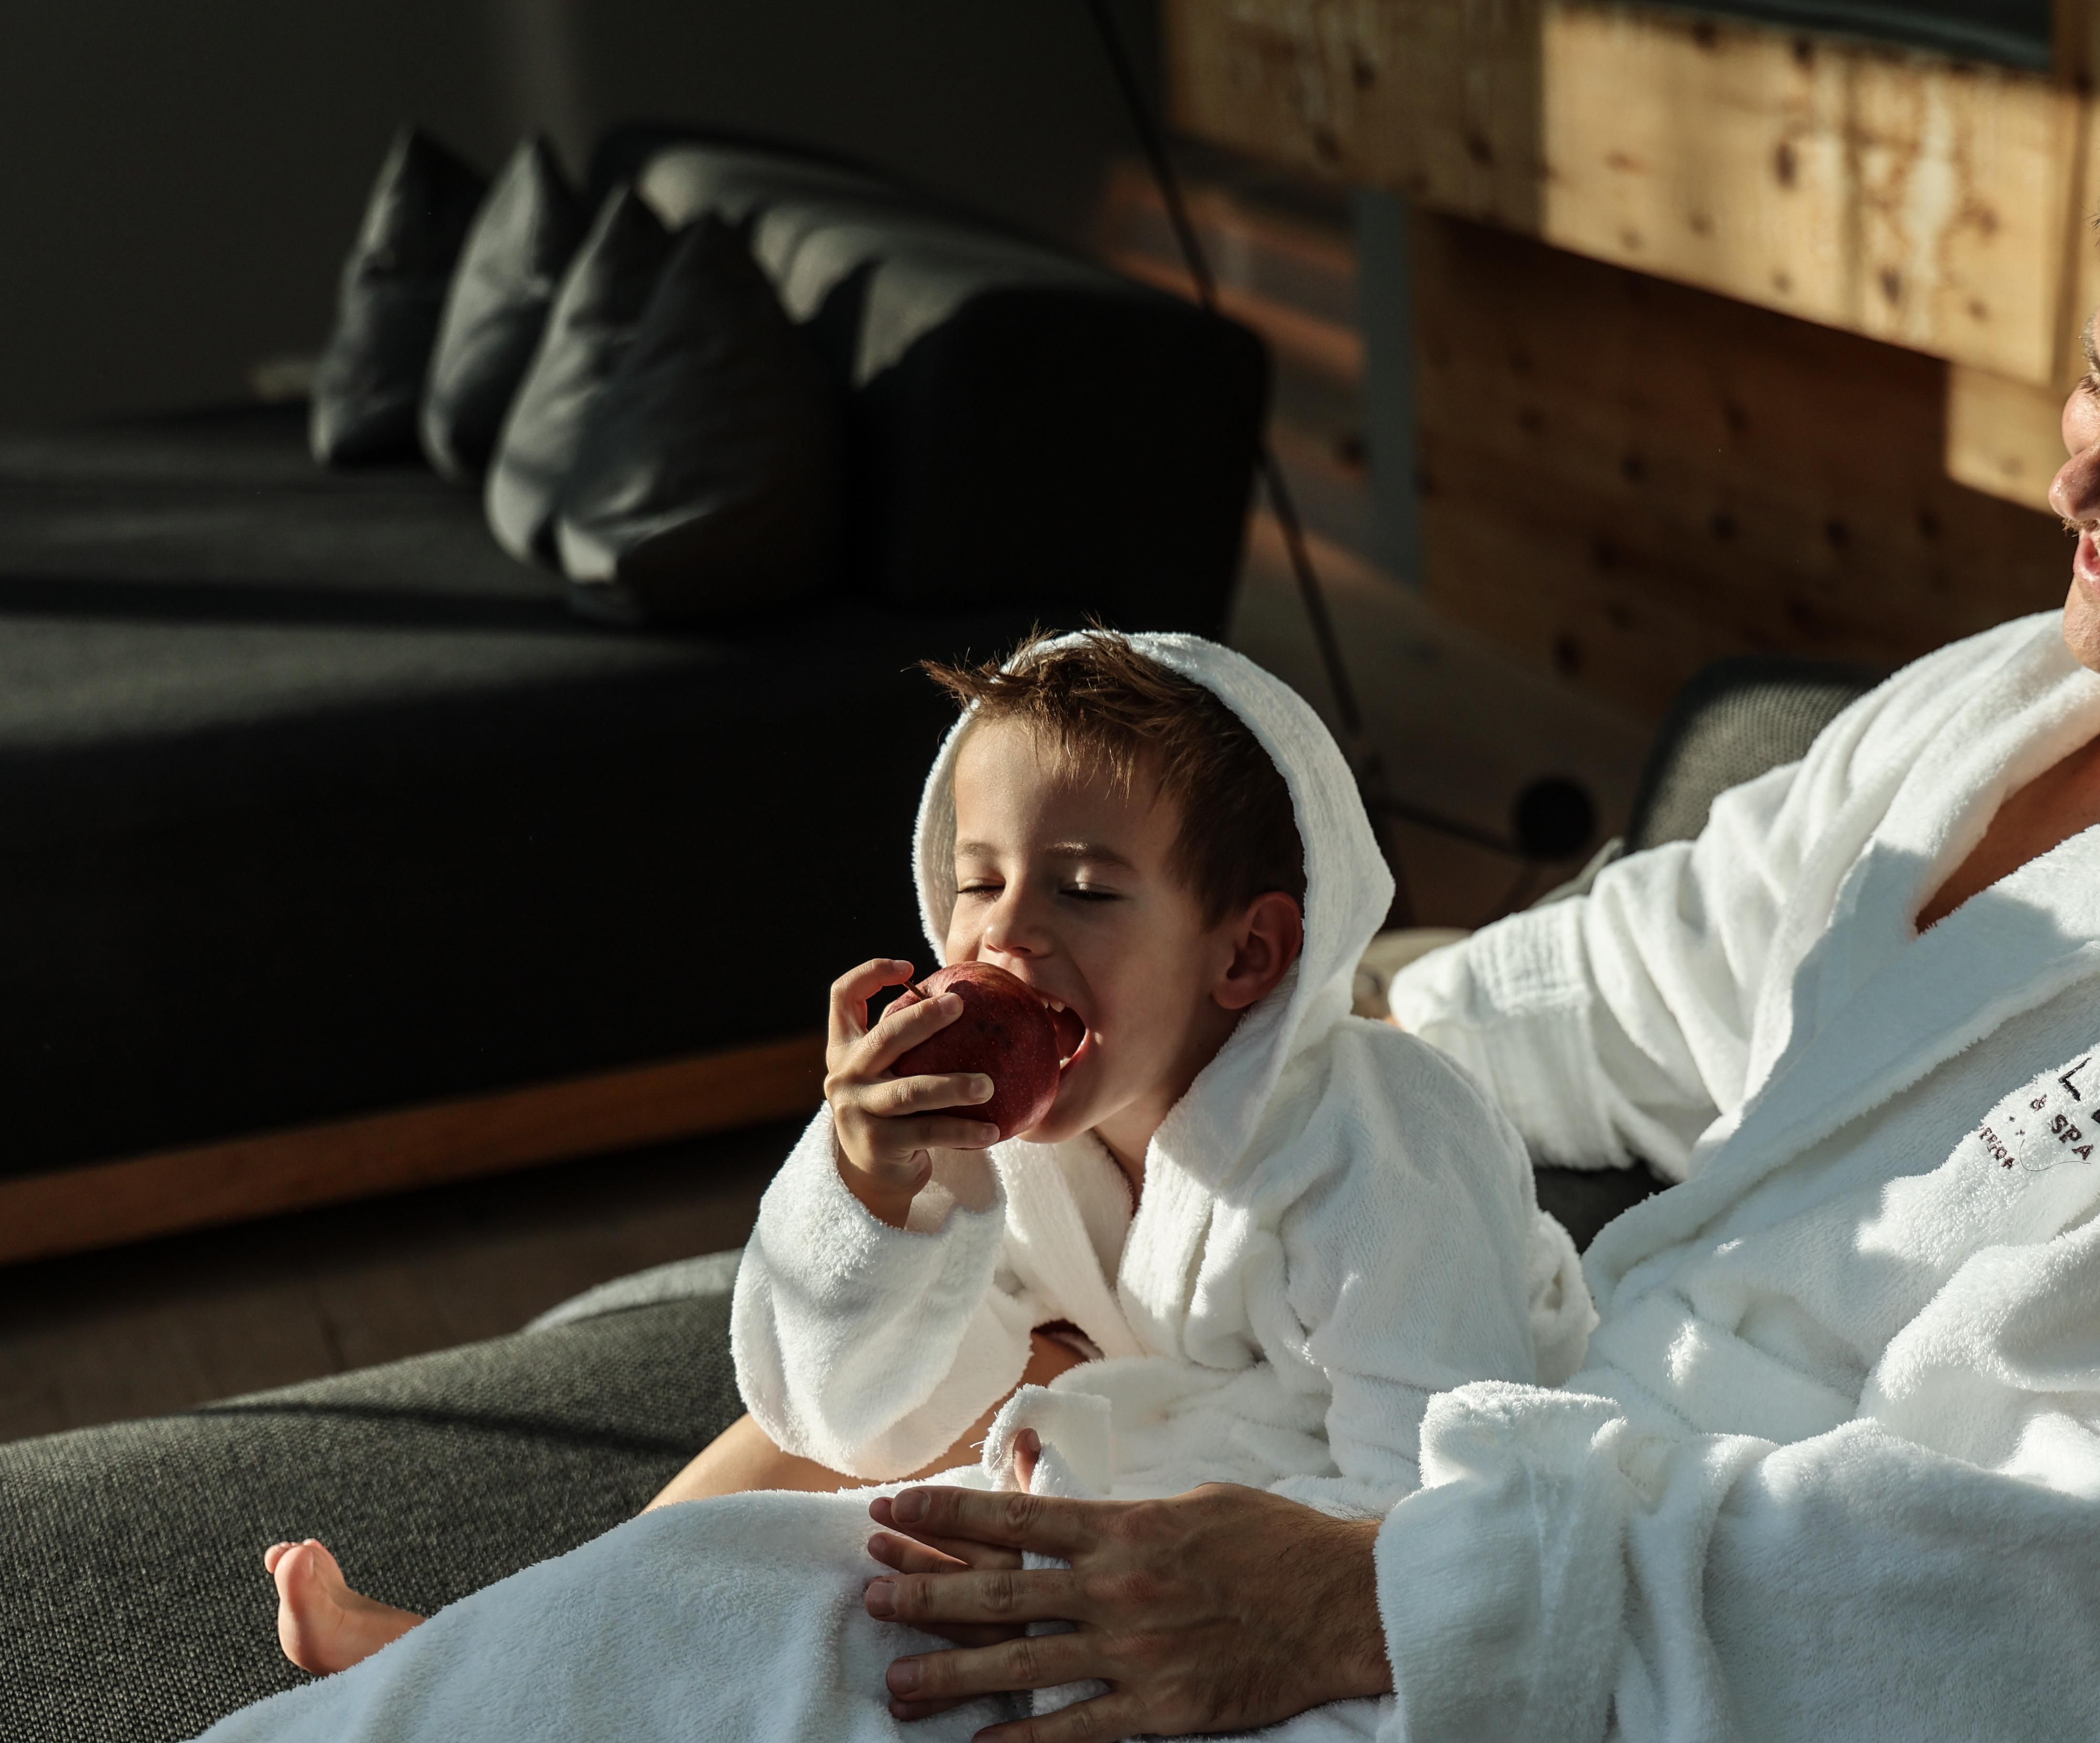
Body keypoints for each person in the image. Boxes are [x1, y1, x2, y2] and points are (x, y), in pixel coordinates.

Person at [828, 9, 2100, 1740]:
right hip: (1486, 1479)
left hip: (1634, 1654)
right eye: (2096, 379)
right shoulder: (2022, 697)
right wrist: (1192, 1098)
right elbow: (1627, 983)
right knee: (763, 1561)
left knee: (784, 1649)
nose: (2088, 478)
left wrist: (1374, 1603)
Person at [207, 629, 1590, 1739]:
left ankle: (539, 1659)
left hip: (1295, 1419)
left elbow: (1422, 1498)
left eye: (1087, 889)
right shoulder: (1030, 1137)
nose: (1007, 936)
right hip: (1129, 1342)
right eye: (978, 883)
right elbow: (849, 1410)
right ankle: (508, 1638)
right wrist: (873, 1193)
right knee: (790, 1450)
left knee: (866, 1538)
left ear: (1246, 958)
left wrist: (1114, 1519)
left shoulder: (1381, 1145)